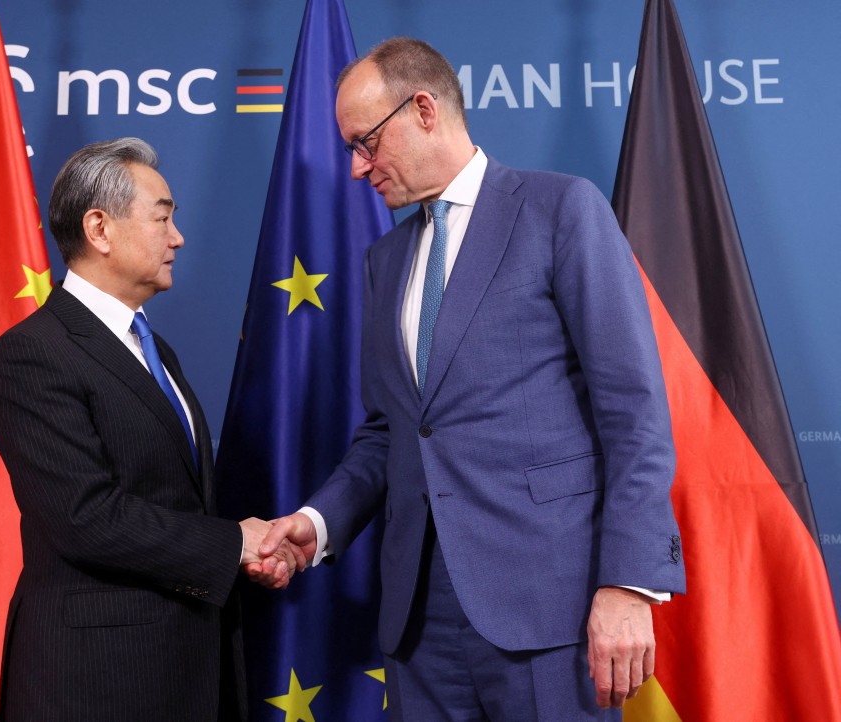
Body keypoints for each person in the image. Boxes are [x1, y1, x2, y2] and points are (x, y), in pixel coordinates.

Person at [254, 38, 685, 721]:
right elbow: (389, 432)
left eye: (367, 142)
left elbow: (633, 411)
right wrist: (317, 524)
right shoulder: (384, 260)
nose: (359, 167)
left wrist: (629, 584)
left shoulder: (560, 210)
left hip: (551, 612)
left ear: (424, 108)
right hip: (419, 623)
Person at [0, 137, 297, 722]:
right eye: (162, 218)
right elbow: (86, 518)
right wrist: (234, 543)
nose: (178, 238)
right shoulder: (33, 354)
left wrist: (246, 551)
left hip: (185, 669)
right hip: (98, 682)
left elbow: (173, 498)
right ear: (100, 229)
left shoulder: (155, 351)